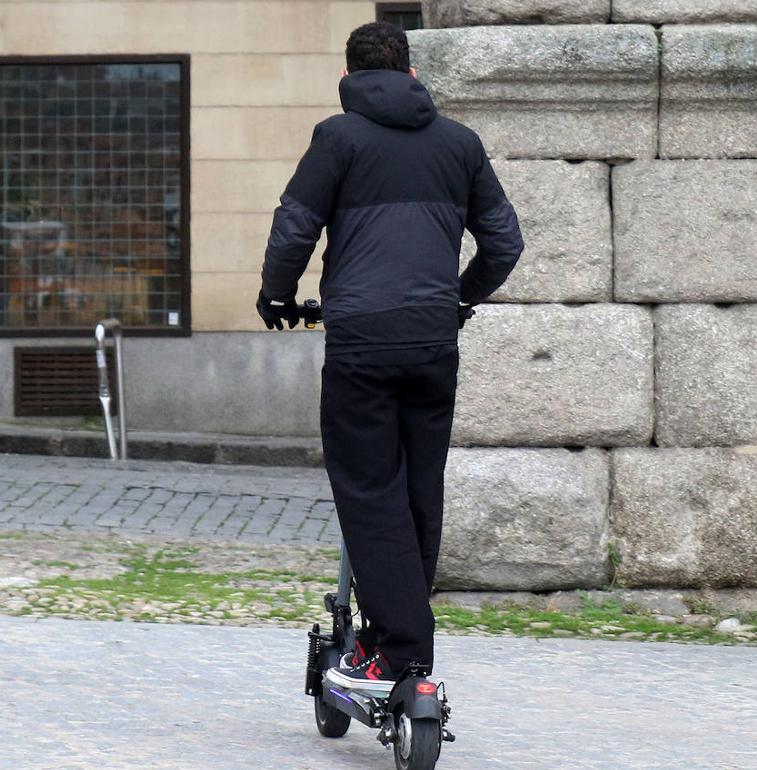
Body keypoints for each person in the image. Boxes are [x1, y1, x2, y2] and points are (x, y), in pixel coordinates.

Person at [257, 21, 523, 691]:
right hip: (433, 342)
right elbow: (505, 244)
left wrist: (277, 296)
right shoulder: (460, 143)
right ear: (411, 74)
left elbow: (294, 227)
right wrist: (458, 300)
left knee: (370, 490)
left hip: (363, 343)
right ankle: (388, 639)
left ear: (347, 79)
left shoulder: (337, 138)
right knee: (417, 490)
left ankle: (400, 649)